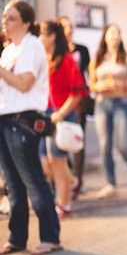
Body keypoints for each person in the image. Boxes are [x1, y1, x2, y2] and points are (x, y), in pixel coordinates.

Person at [0, 0, 62, 255]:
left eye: (12, 17)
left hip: (22, 121)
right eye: (4, 16)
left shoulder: (31, 45)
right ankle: (17, 237)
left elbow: (24, 84)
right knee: (12, 183)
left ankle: (50, 237)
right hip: (5, 118)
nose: (5, 21)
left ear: (26, 22)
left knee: (33, 180)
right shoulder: (8, 50)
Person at [38, 20, 87, 218]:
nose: (38, 37)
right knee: (45, 163)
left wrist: (60, 114)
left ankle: (64, 204)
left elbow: (78, 92)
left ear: (52, 36)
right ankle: (70, 181)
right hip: (44, 114)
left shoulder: (66, 60)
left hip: (62, 114)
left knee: (56, 161)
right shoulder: (42, 59)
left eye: (41, 33)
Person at [88, 24, 127, 197]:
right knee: (105, 145)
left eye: (117, 33)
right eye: (111, 33)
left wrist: (120, 85)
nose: (115, 36)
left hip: (121, 104)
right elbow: (91, 85)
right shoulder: (97, 58)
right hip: (102, 105)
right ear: (105, 36)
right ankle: (110, 183)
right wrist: (99, 87)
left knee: (123, 145)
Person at [58, 16, 91, 198]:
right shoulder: (55, 52)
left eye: (70, 26)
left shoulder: (82, 49)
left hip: (79, 101)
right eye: (64, 27)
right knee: (60, 141)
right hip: (61, 102)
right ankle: (67, 176)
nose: (69, 30)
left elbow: (88, 72)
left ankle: (78, 179)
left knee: (78, 139)